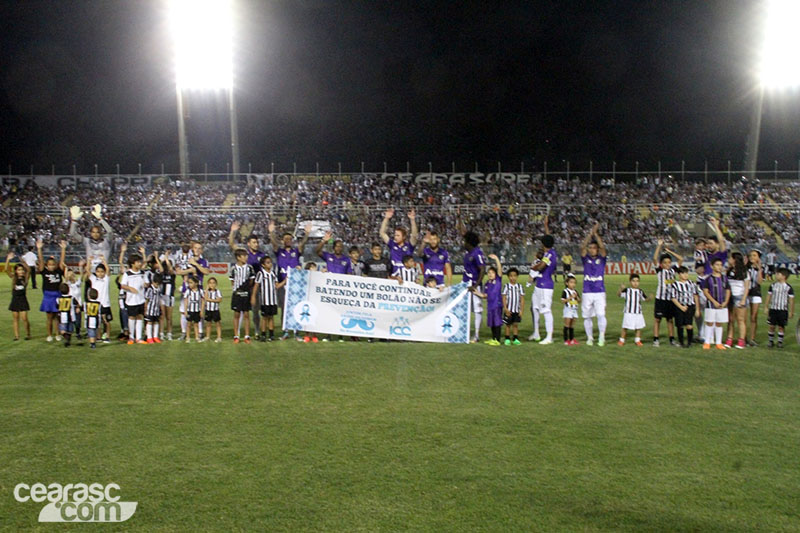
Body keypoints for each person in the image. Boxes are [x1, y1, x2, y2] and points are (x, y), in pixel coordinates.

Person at [269, 221, 312, 340]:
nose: (288, 240)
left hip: (296, 284)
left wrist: (307, 234)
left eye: (290, 238)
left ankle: (296, 332)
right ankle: (286, 331)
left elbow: (302, 244)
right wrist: (271, 232)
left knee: (296, 307)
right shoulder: (279, 252)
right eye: (286, 238)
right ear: (282, 241)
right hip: (283, 283)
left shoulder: (296, 252)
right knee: (284, 308)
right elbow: (273, 243)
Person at [580, 222, 608, 346]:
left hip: (599, 291)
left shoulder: (601, 259)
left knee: (601, 315)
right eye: (590, 248)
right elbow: (582, 247)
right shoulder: (585, 259)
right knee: (587, 316)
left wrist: (595, 235)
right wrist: (590, 234)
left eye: (594, 248)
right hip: (587, 291)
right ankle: (590, 338)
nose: (591, 249)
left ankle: (602, 337)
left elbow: (602, 248)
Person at [530, 221, 557, 345]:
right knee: (534, 308)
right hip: (539, 285)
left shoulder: (550, 254)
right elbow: (548, 237)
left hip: (546, 286)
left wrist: (533, 267)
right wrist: (546, 225)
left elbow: (541, 266)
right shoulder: (549, 251)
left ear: (543, 244)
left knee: (546, 310)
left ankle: (549, 336)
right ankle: (536, 332)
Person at [652, 239, 683, 346]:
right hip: (660, 298)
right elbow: (655, 258)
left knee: (670, 320)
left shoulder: (673, 270)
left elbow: (680, 259)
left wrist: (670, 252)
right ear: (661, 264)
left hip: (671, 299)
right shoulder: (659, 270)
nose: (667, 264)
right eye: (665, 263)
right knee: (657, 319)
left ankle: (672, 340)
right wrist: (659, 246)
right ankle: (656, 339)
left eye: (669, 262)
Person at [68, 204, 114, 271]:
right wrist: (74, 221)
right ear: (91, 233)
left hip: (103, 272)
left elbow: (110, 231)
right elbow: (72, 234)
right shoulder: (87, 241)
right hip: (90, 272)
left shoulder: (106, 241)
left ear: (101, 233)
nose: (95, 234)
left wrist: (100, 219)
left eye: (98, 232)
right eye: (93, 232)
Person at [36, 238, 66, 342]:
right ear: (47, 265)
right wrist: (39, 249)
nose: (51, 266)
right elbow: (40, 261)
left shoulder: (58, 271)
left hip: (58, 295)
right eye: (49, 265)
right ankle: (49, 335)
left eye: (53, 264)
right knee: (49, 317)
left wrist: (63, 249)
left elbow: (62, 261)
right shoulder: (44, 271)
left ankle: (57, 334)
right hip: (48, 296)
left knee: (57, 317)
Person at [461, 230, 487, 343]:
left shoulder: (477, 253)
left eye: (465, 241)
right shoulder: (467, 254)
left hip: (474, 287)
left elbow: (482, 269)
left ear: (469, 242)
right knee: (465, 309)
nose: (463, 243)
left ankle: (476, 335)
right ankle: (464, 332)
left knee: (477, 310)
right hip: (465, 285)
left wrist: (476, 285)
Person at [252, 255, 285, 342]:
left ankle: (271, 334)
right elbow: (256, 285)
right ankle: (263, 334)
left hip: (273, 300)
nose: (270, 264)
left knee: (271, 317)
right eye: (267, 262)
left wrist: (285, 281)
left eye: (270, 262)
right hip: (265, 300)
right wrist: (253, 297)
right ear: (263, 265)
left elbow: (277, 286)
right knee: (264, 317)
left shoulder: (273, 273)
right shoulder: (261, 274)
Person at [701, 257, 731, 350]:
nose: (719, 267)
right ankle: (707, 342)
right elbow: (705, 292)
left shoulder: (724, 278)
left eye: (721, 265)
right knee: (710, 322)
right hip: (711, 305)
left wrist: (726, 301)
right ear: (712, 266)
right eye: (717, 265)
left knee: (719, 323)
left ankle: (719, 342)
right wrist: (714, 301)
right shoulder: (708, 279)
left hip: (722, 304)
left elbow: (728, 290)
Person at [379, 207, 419, 276]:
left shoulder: (409, 246)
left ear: (403, 237)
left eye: (398, 235)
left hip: (407, 276)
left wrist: (412, 220)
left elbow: (414, 235)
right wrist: (386, 218)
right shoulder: (392, 244)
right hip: (394, 277)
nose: (395, 237)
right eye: (395, 235)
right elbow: (382, 233)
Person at [120, 250, 147, 345]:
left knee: (140, 317)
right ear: (132, 263)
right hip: (131, 300)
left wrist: (145, 284)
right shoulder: (127, 274)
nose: (140, 264)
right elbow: (122, 285)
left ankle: (139, 338)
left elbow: (146, 283)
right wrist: (130, 288)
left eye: (140, 262)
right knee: (131, 317)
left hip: (141, 299)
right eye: (138, 262)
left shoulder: (143, 273)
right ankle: (131, 337)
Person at [669, 266, 700, 348]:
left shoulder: (692, 284)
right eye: (683, 273)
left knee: (689, 324)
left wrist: (697, 309)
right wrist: (681, 307)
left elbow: (696, 296)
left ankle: (690, 342)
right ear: (679, 274)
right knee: (680, 325)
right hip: (679, 307)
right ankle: (681, 342)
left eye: (686, 273)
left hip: (690, 306)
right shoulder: (675, 284)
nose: (685, 275)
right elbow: (673, 298)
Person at [476, 254, 503, 346]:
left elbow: (499, 269)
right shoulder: (487, 283)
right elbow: (485, 295)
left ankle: (498, 340)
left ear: (495, 274)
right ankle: (493, 338)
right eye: (489, 273)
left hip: (497, 305)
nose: (490, 274)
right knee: (492, 322)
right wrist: (476, 293)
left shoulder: (498, 280)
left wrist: (496, 259)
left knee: (497, 322)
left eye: (492, 273)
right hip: (490, 306)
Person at [230, 248, 255, 344]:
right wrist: (236, 289)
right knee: (236, 314)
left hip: (246, 294)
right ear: (238, 257)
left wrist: (247, 289)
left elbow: (251, 280)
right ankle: (236, 335)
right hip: (237, 294)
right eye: (244, 256)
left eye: (246, 255)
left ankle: (247, 335)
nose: (246, 257)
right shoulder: (234, 269)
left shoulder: (249, 268)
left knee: (246, 315)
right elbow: (232, 281)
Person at [764, 268, 794, 348]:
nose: (776, 275)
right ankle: (771, 341)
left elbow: (791, 300)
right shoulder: (773, 285)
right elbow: (769, 296)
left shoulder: (788, 288)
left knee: (781, 326)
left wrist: (791, 311)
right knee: (771, 325)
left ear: (784, 276)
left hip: (783, 310)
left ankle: (780, 342)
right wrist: (766, 306)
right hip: (773, 309)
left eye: (778, 274)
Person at [84, 257, 112, 343]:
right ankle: (99, 337)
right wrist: (89, 261)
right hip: (96, 304)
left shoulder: (106, 279)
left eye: (102, 272)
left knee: (106, 321)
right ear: (96, 272)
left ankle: (107, 336)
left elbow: (108, 270)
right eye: (98, 272)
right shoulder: (93, 279)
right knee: (98, 321)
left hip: (105, 303)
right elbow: (87, 271)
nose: (100, 273)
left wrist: (104, 260)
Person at [725, 252, 750, 349]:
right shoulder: (729, 270)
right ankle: (729, 339)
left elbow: (746, 287)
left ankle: (741, 341)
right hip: (730, 296)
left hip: (739, 296)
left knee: (740, 320)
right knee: (730, 320)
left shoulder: (744, 272)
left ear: (734, 259)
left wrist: (743, 299)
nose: (729, 260)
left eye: (730, 258)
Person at [6, 251, 31, 340]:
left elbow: (29, 270)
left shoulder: (25, 279)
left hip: (23, 299)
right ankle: (16, 336)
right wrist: (8, 260)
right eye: (19, 270)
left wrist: (23, 262)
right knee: (15, 318)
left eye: (22, 270)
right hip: (15, 300)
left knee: (24, 318)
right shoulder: (14, 278)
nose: (21, 271)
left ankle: (28, 334)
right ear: (16, 271)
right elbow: (7, 270)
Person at [618, 274, 647, 346]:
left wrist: (649, 298)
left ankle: (637, 340)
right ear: (630, 282)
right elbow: (619, 295)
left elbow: (645, 299)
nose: (635, 283)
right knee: (625, 327)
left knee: (638, 327)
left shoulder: (640, 291)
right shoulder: (627, 290)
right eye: (633, 281)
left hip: (638, 312)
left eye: (637, 281)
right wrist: (620, 289)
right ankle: (622, 340)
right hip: (628, 312)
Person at [746, 249, 764, 346]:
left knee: (754, 317)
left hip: (756, 293)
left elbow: (760, 282)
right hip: (745, 293)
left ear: (758, 258)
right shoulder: (746, 267)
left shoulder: (761, 268)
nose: (752, 257)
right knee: (743, 317)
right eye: (751, 255)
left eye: (754, 255)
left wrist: (759, 269)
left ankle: (752, 338)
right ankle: (743, 337)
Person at [502, 267, 524, 345]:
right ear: (508, 277)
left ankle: (515, 338)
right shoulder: (506, 286)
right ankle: (507, 338)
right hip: (509, 309)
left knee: (515, 324)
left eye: (514, 276)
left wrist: (521, 310)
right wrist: (505, 308)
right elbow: (504, 297)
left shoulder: (520, 287)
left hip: (516, 309)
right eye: (511, 276)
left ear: (517, 277)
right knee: (508, 324)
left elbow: (522, 299)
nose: (513, 278)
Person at [65, 259, 85, 341]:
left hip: (78, 305)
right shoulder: (67, 284)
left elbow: (82, 275)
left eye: (71, 274)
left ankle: (78, 333)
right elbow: (66, 278)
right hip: (70, 306)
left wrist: (80, 267)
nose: (70, 276)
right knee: (70, 321)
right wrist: (66, 269)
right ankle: (69, 335)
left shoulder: (77, 283)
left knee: (78, 321)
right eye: (69, 274)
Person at [158, 251, 176, 340]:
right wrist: (163, 259)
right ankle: (161, 333)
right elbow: (160, 267)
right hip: (161, 297)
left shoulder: (173, 273)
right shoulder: (161, 273)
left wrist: (166, 257)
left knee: (169, 317)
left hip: (170, 297)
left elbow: (170, 268)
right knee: (161, 316)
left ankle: (169, 333)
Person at [301, 262, 319, 343]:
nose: (315, 269)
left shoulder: (319, 277)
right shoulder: (305, 277)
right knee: (307, 317)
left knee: (315, 317)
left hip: (316, 299)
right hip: (307, 299)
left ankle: (314, 335)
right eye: (313, 267)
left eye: (315, 267)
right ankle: (307, 335)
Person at [527, 250, 543, 341]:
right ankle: (546, 333)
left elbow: (531, 277)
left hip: (538, 288)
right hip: (546, 287)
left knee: (535, 309)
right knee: (545, 311)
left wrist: (529, 283)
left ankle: (536, 333)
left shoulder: (536, 262)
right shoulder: (545, 262)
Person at [183, 275, 204, 343]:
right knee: (189, 324)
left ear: (196, 283)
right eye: (189, 283)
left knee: (196, 324)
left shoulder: (200, 291)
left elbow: (203, 301)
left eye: (191, 283)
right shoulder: (188, 291)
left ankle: (197, 337)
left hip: (197, 310)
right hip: (190, 310)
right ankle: (188, 337)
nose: (190, 284)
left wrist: (202, 310)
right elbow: (186, 301)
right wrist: (185, 311)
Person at [116, 243, 130, 341]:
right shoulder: (126, 272)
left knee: (125, 312)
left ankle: (126, 332)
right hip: (122, 294)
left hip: (126, 294)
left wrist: (123, 251)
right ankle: (123, 330)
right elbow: (120, 262)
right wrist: (123, 251)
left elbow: (120, 262)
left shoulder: (131, 274)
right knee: (122, 312)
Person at [561, 274, 580, 345]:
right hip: (568, 309)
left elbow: (579, 301)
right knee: (567, 324)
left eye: (574, 283)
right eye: (571, 282)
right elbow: (563, 301)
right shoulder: (565, 291)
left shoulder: (575, 291)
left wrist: (577, 298)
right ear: (567, 283)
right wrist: (570, 297)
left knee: (572, 325)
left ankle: (572, 339)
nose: (573, 284)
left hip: (575, 309)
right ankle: (566, 340)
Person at [144, 273, 163, 344]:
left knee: (156, 322)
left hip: (156, 309)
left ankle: (155, 336)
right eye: (156, 284)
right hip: (150, 309)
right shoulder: (150, 289)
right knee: (149, 322)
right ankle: (149, 337)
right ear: (153, 282)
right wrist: (145, 309)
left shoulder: (159, 289)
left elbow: (159, 299)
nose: (157, 285)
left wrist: (160, 307)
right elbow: (147, 300)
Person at [56, 282, 77, 347]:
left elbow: (57, 307)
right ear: (68, 290)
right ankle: (68, 340)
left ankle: (67, 339)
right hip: (71, 316)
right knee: (70, 330)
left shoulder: (58, 299)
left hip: (62, 317)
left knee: (62, 330)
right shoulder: (72, 298)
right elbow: (77, 304)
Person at [203, 277, 223, 343]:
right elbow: (205, 298)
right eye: (210, 283)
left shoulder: (217, 291)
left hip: (215, 310)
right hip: (208, 310)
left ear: (216, 284)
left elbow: (219, 299)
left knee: (217, 323)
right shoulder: (206, 291)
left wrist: (210, 300)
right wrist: (214, 300)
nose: (212, 285)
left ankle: (219, 337)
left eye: (213, 283)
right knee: (208, 323)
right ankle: (208, 336)